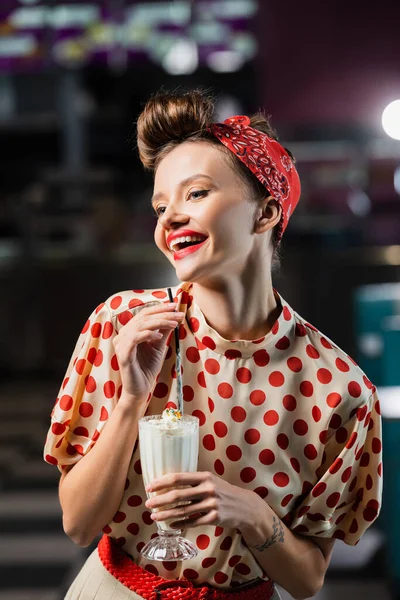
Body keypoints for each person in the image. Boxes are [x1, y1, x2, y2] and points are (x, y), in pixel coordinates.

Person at [43, 89, 383, 600]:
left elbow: (308, 579)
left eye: (196, 193)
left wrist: (252, 514)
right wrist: (133, 399)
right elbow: (78, 523)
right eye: (161, 205)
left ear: (265, 213)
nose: (169, 218)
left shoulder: (338, 389)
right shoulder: (122, 325)